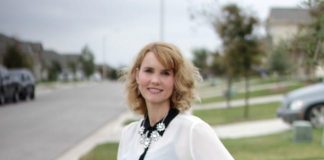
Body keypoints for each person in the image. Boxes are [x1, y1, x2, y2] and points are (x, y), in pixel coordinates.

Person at [118, 42, 234, 160]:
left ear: (177, 79)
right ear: (137, 75)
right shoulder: (128, 134)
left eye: (165, 73)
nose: (155, 80)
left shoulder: (192, 130)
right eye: (149, 70)